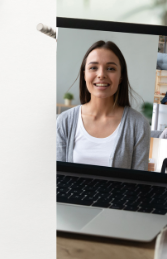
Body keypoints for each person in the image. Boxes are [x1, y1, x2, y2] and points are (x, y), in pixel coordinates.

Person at [56, 40, 150, 170]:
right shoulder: (64, 121)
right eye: (93, 67)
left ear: (121, 76)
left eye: (111, 68)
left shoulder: (138, 124)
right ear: (84, 74)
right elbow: (58, 179)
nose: (101, 75)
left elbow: (139, 185)